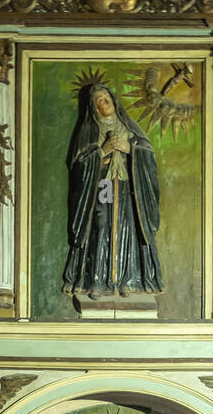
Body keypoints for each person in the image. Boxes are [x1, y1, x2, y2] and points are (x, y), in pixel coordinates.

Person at [63, 83, 163, 300]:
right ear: (93, 107)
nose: (103, 103)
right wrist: (102, 151)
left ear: (113, 100)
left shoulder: (129, 127)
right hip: (104, 185)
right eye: (98, 101)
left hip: (127, 185)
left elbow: (148, 154)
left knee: (126, 226)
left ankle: (126, 280)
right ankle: (97, 281)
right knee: (101, 225)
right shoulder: (89, 130)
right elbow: (78, 164)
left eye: (106, 98)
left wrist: (130, 149)